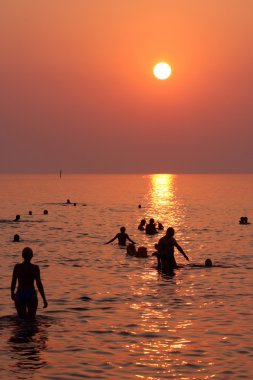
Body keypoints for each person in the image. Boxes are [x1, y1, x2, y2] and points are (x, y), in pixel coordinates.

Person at [11, 247, 48, 319]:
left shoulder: (17, 267)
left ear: (22, 256)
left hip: (20, 293)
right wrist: (44, 299)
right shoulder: (35, 268)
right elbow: (39, 284)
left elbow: (13, 282)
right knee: (32, 320)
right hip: (31, 294)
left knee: (21, 319)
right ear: (32, 256)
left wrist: (12, 294)